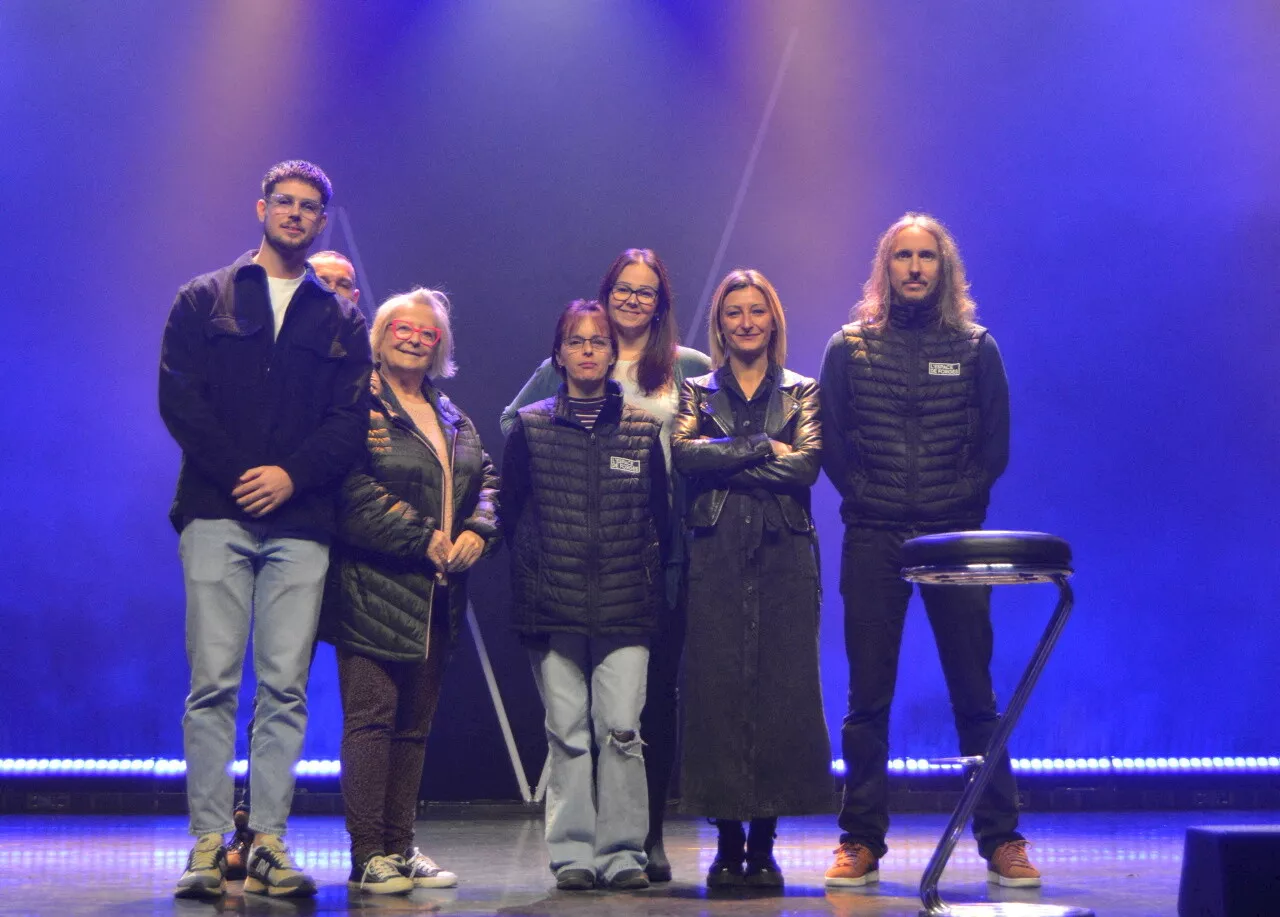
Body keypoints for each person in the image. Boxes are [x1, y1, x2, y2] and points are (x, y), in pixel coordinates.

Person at [158, 161, 372, 899]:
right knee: (212, 682)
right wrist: (247, 471)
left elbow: (348, 423)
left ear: (323, 222)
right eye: (284, 201)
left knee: (285, 686)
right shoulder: (204, 296)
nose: (295, 214)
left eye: (310, 206)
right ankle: (209, 844)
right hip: (217, 511)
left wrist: (290, 476)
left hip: (302, 519)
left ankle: (270, 842)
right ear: (261, 208)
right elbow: (179, 399)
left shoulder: (340, 317)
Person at [819, 213, 1039, 888]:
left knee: (976, 694)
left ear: (945, 270)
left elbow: (993, 449)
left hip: (954, 540)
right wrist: (872, 496)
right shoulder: (849, 347)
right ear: (884, 268)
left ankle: (1002, 838)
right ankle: (859, 839)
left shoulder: (977, 347)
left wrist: (950, 505)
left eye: (927, 257)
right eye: (902, 257)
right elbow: (831, 441)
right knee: (867, 699)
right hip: (875, 536)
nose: (914, 268)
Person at [500, 249, 709, 882]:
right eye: (624, 289)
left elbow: (667, 493)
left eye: (647, 293)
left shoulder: (678, 380)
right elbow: (512, 488)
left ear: (661, 303)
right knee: (568, 730)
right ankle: (573, 854)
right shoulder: (541, 409)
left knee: (632, 722)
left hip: (640, 572)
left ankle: (634, 846)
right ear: (564, 351)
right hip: (559, 581)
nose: (633, 302)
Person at [319, 288, 498, 894]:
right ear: (381, 333)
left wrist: (478, 530)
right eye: (404, 326)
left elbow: (487, 481)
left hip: (436, 596)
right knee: (371, 721)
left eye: (428, 332)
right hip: (372, 585)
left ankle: (400, 844)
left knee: (413, 729)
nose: (416, 338)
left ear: (440, 345)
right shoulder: (355, 400)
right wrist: (424, 536)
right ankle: (369, 853)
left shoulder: (451, 414)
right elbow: (350, 491)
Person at [671, 269, 831, 888]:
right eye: (733, 312)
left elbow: (808, 469)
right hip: (713, 551)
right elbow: (686, 456)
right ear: (720, 323)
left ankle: (764, 844)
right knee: (716, 692)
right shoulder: (696, 390)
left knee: (780, 691)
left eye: (755, 311)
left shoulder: (803, 390)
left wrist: (729, 454)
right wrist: (767, 445)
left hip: (786, 553)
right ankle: (726, 842)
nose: (745, 322)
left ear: (773, 320)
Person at [225, 247, 363, 880]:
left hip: (362, 558)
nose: (334, 293)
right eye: (324, 282)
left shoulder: (384, 380)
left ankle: (381, 844)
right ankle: (245, 833)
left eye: (345, 285)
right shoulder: (292, 373)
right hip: (298, 532)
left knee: (370, 705)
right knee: (277, 683)